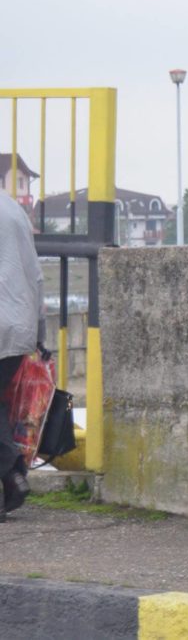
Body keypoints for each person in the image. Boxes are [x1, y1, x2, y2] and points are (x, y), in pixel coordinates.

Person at [0, 190, 45, 522]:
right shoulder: (14, 210)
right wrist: (39, 332)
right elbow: (36, 275)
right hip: (18, 326)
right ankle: (11, 475)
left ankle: (12, 468)